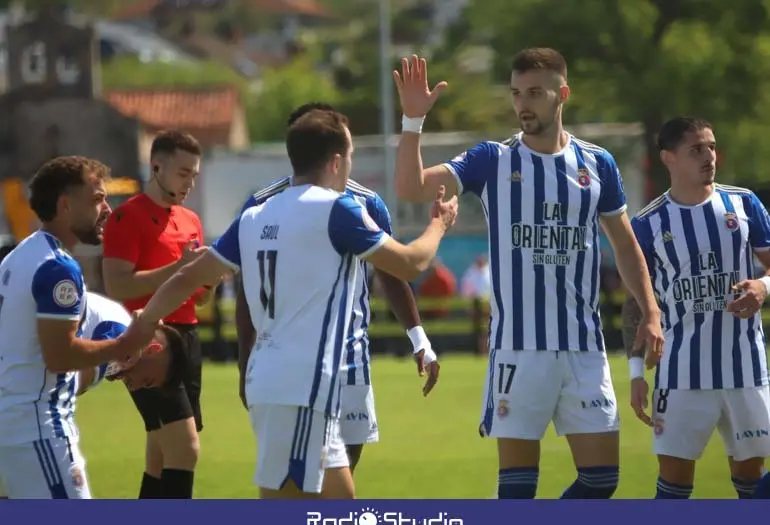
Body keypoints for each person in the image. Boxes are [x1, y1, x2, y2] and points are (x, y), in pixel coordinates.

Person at [121, 109, 458, 499]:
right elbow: (411, 262)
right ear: (336, 161)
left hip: (286, 383)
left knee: (338, 504)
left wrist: (145, 322)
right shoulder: (337, 209)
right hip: (301, 386)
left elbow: (189, 276)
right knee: (290, 510)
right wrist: (439, 223)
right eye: (348, 157)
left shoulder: (255, 214)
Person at [392, 49, 664, 499]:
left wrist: (651, 311)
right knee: (517, 491)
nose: (524, 104)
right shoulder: (491, 160)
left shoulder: (598, 164)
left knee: (602, 481)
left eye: (536, 93)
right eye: (517, 93)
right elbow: (410, 187)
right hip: (519, 351)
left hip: (583, 348)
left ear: (563, 94)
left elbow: (624, 244)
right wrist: (412, 121)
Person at [236, 102, 440, 474]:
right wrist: (244, 360)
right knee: (303, 479)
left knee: (342, 470)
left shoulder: (363, 203)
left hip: (351, 355)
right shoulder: (262, 205)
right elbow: (246, 282)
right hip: (291, 360)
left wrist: (418, 338)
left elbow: (391, 272)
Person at [622, 117, 770, 499]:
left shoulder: (743, 204)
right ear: (669, 158)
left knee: (753, 485)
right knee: (673, 488)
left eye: (711, 147)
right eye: (696, 149)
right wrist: (636, 372)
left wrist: (763, 286)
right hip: (681, 376)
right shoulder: (648, 223)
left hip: (745, 371)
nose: (709, 156)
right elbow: (635, 303)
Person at [0, 156, 149, 499]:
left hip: (15, 425)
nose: (108, 210)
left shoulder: (20, 255)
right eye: (97, 199)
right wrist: (127, 343)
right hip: (38, 430)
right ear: (65, 205)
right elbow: (60, 355)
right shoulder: (58, 267)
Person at [101, 130, 211, 499]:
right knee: (185, 449)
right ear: (156, 166)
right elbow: (118, 287)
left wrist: (207, 282)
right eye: (183, 173)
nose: (189, 183)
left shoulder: (191, 220)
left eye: (194, 175)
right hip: (149, 341)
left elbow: (198, 298)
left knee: (161, 455)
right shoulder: (125, 217)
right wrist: (180, 270)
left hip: (187, 338)